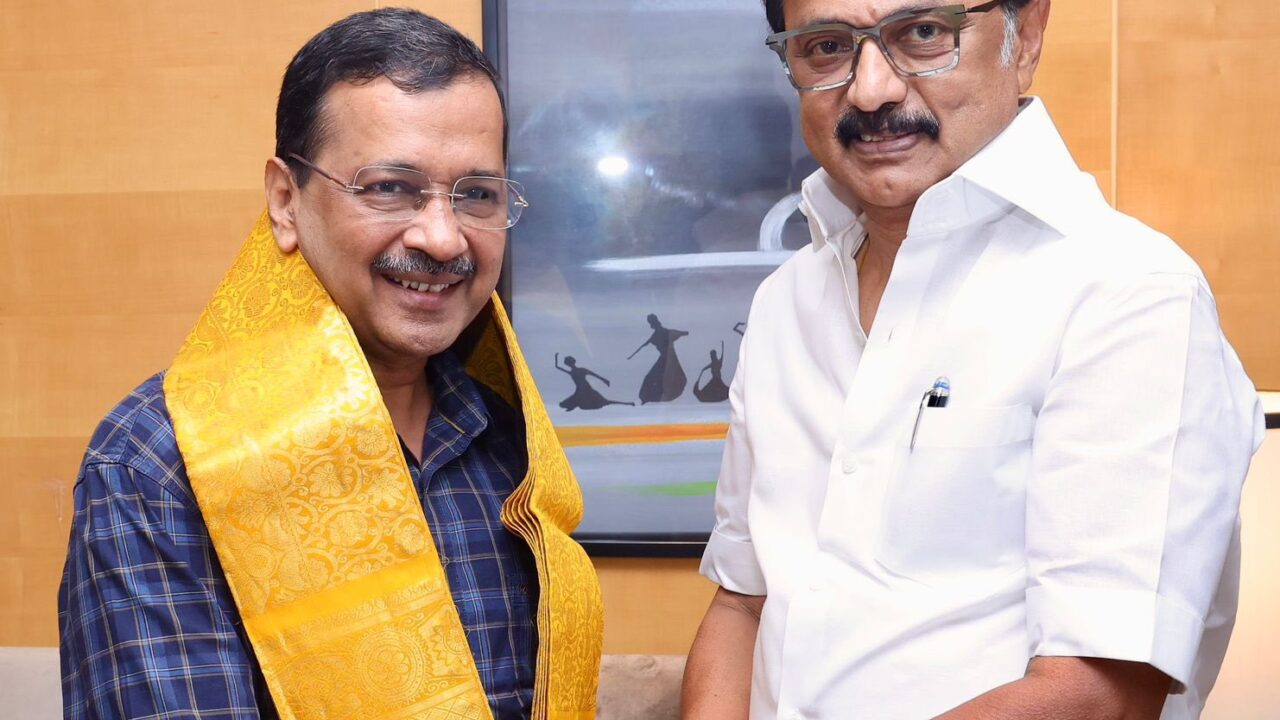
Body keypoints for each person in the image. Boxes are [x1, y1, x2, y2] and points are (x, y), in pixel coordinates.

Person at [683, 1, 1265, 718]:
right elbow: (743, 603)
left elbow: (1097, 693)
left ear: (1028, 38)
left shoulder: (1130, 294)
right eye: (827, 47)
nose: (870, 90)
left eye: (923, 33)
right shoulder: (784, 302)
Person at [57, 10, 603, 719]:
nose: (443, 239)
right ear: (286, 201)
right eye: (390, 187)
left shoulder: (510, 444)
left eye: (476, 194)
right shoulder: (163, 462)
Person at [628, 313, 691, 403]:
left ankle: (657, 396)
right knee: (653, 377)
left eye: (651, 323)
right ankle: (650, 397)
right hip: (665, 358)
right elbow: (644, 345)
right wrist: (631, 355)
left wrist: (687, 332)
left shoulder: (667, 332)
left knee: (664, 377)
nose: (651, 325)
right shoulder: (657, 335)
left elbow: (682, 333)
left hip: (669, 358)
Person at [555, 353, 635, 410]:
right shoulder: (572, 372)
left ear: (571, 363)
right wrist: (556, 357)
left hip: (586, 389)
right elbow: (557, 367)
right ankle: (575, 404)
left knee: (605, 402)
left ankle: (628, 403)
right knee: (564, 404)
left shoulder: (581, 370)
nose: (568, 365)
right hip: (579, 390)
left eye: (568, 363)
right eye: (568, 364)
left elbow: (594, 374)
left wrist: (604, 380)